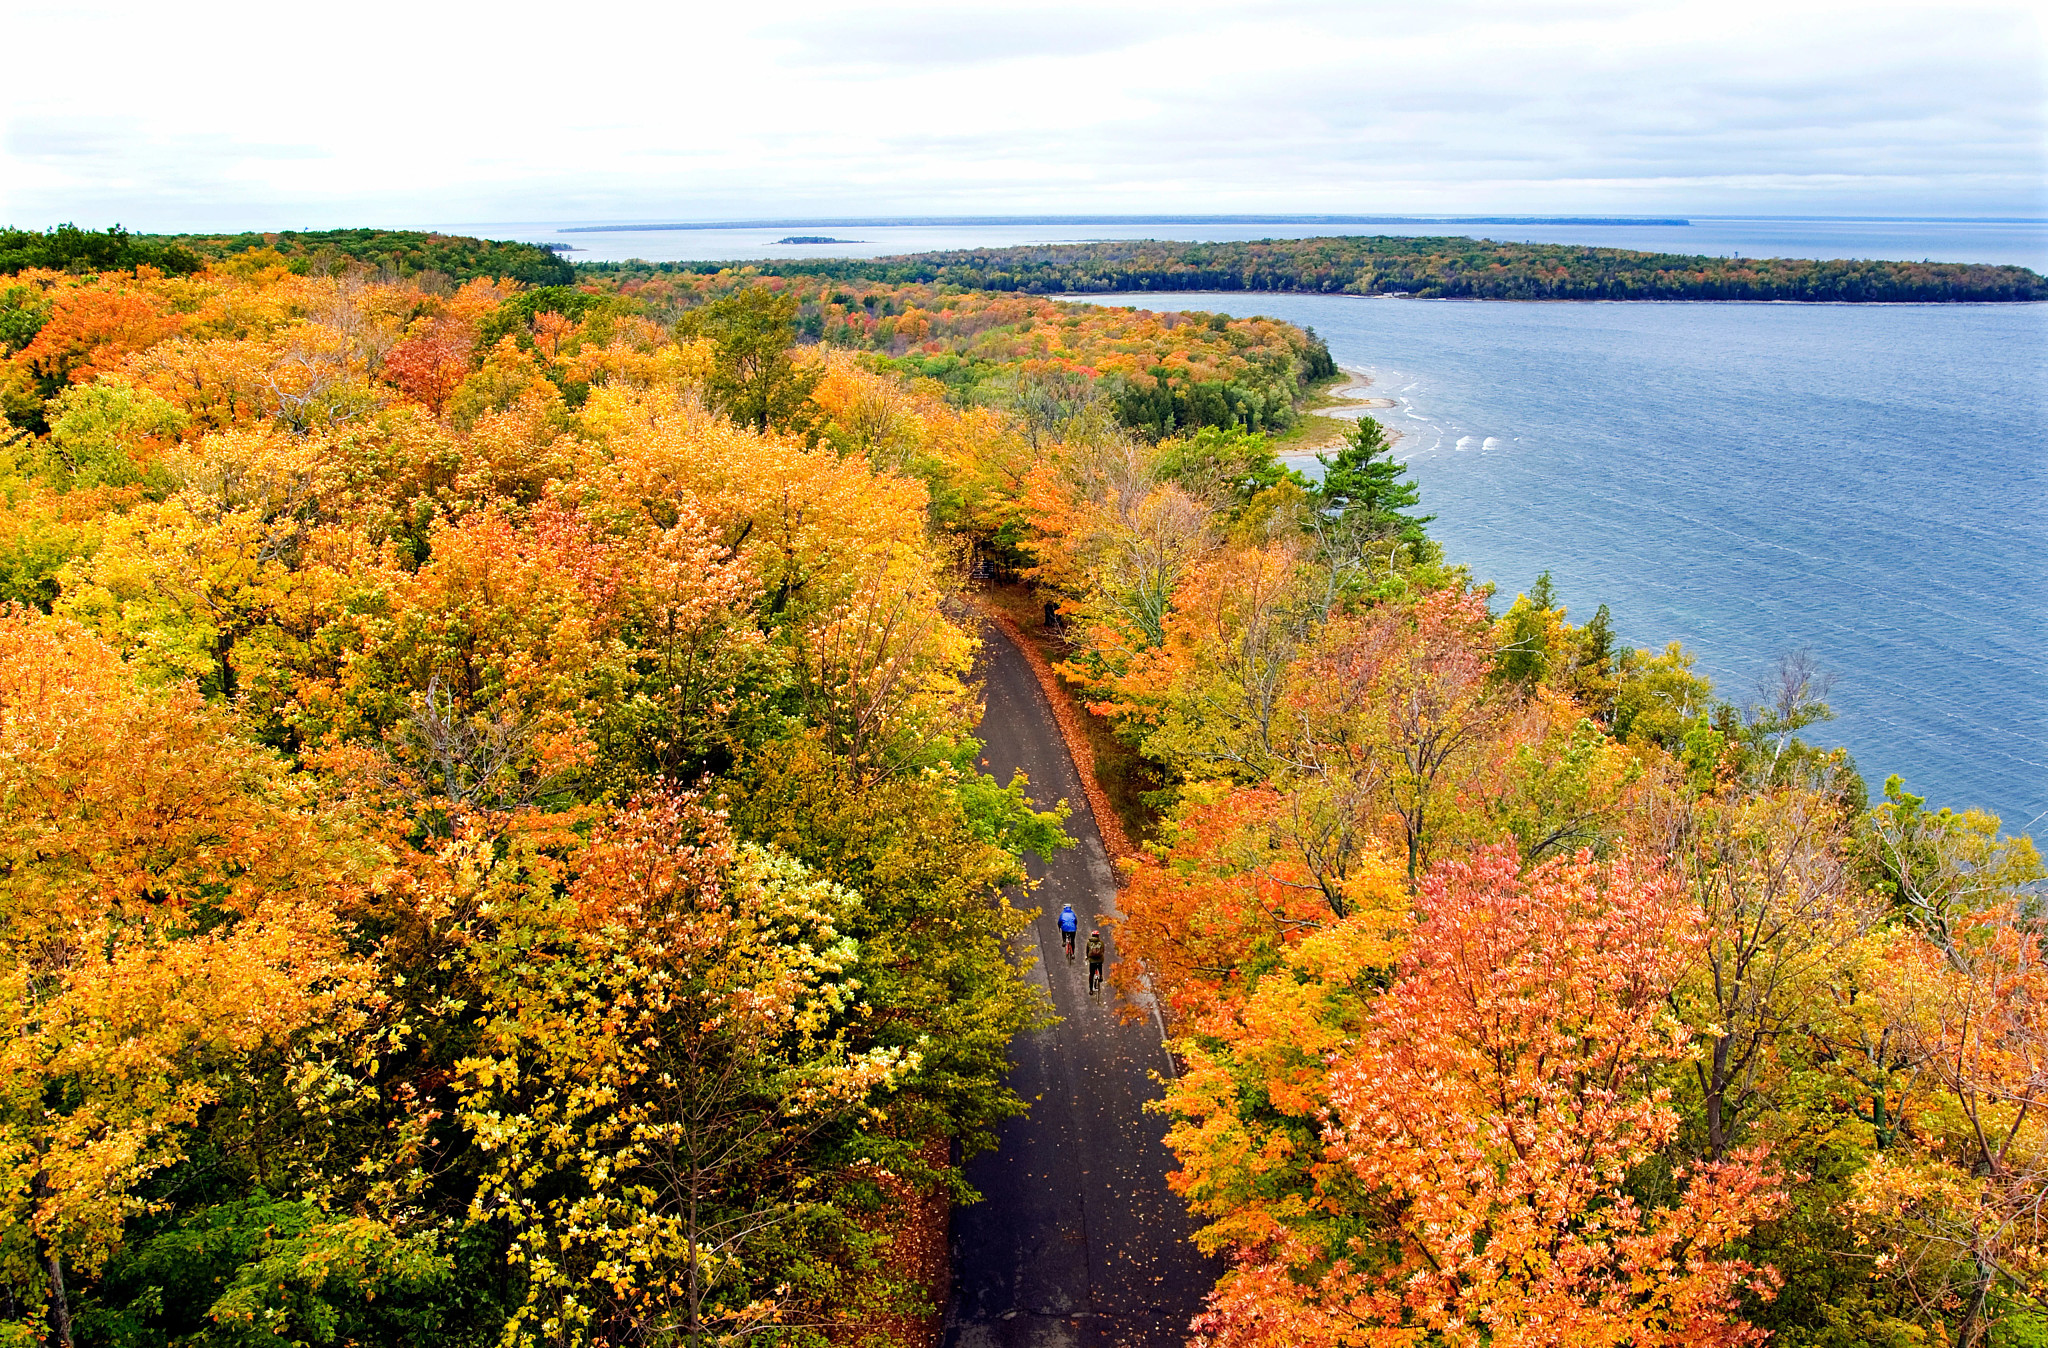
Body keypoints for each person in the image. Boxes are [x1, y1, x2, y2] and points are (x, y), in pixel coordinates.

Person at [1085, 929, 1105, 994]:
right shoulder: (1101, 943)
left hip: (1092, 961)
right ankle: (1101, 975)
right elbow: (1103, 951)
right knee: (1100, 965)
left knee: (1091, 974)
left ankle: (1091, 990)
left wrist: (1087, 957)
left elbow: (1087, 951)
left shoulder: (1089, 942)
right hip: (1099, 959)